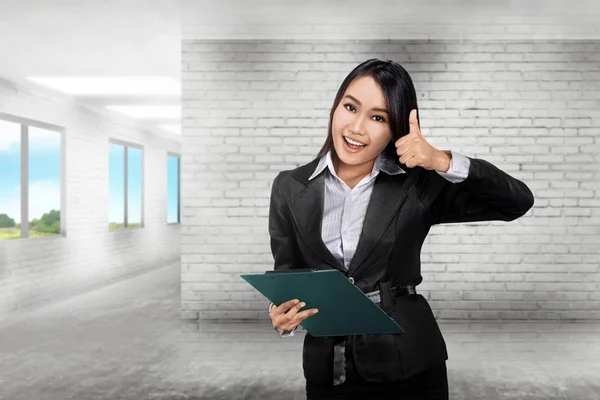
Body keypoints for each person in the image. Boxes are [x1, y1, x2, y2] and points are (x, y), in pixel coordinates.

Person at [267, 58, 534, 399]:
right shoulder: (289, 187)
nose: (356, 128)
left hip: (410, 361)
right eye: (350, 107)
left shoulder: (418, 185)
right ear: (336, 107)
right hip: (328, 367)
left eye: (378, 117)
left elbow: (516, 202)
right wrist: (283, 315)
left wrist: (442, 160)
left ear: (395, 130)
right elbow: (289, 276)